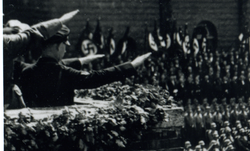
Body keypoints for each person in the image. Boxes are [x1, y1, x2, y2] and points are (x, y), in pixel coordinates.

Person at [16, 25, 150, 108]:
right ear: (57, 46)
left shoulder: (27, 71)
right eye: (64, 45)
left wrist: (81, 61)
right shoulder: (63, 73)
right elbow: (95, 78)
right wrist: (131, 66)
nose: (65, 50)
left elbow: (50, 66)